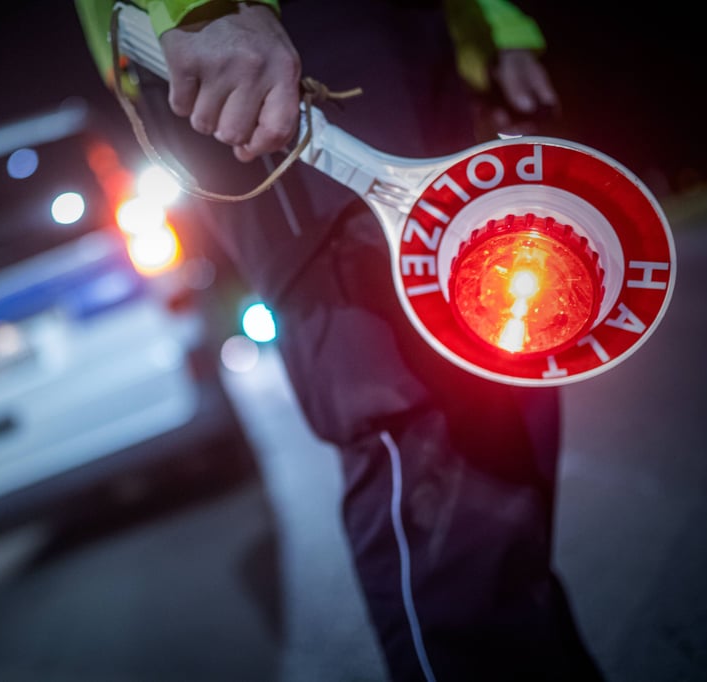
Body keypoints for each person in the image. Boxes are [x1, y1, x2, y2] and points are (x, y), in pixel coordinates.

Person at [75, 1, 605, 680]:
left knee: (504, 392)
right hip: (276, 33)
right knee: (418, 426)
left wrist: (490, 30)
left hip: (410, 28)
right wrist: (206, 11)